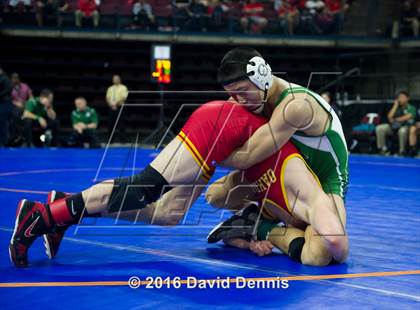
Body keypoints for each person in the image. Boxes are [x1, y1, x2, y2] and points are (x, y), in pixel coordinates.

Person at [211, 47, 348, 262]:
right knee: (216, 195)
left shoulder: (295, 105)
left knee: (322, 255)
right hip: (283, 172)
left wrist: (205, 154)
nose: (239, 100)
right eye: (232, 94)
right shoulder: (247, 101)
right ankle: (258, 217)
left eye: (243, 91)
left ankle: (262, 226)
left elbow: (247, 156)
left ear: (262, 76)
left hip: (324, 180)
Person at [375, 91, 416, 155]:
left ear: (407, 98)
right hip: (393, 126)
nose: (400, 99)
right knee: (380, 128)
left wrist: (395, 120)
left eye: (402, 97)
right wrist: (395, 105)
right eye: (399, 97)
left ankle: (402, 151)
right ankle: (382, 149)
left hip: (404, 126)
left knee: (402, 131)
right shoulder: (395, 107)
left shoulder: (411, 107)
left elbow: (407, 117)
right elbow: (389, 117)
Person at [10, 73, 33, 145]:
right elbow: (7, 99)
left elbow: (31, 98)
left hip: (25, 109)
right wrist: (16, 103)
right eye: (13, 78)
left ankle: (28, 142)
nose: (15, 80)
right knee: (16, 113)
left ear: (19, 79)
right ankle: (16, 138)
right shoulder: (9, 87)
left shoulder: (25, 86)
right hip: (14, 110)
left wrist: (27, 104)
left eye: (16, 78)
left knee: (28, 121)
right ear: (11, 79)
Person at [105, 74, 128, 142]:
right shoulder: (110, 88)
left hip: (120, 107)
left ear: (119, 79)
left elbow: (124, 97)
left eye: (117, 78)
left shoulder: (123, 87)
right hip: (111, 107)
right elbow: (107, 97)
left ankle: (123, 140)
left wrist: (116, 103)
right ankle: (110, 140)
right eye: (114, 79)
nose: (115, 80)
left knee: (121, 124)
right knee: (111, 124)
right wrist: (111, 104)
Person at [0, 65, 13, 147]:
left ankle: (5, 141)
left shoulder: (5, 78)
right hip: (3, 103)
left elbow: (9, 89)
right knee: (2, 123)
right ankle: (3, 141)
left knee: (3, 122)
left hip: (5, 104)